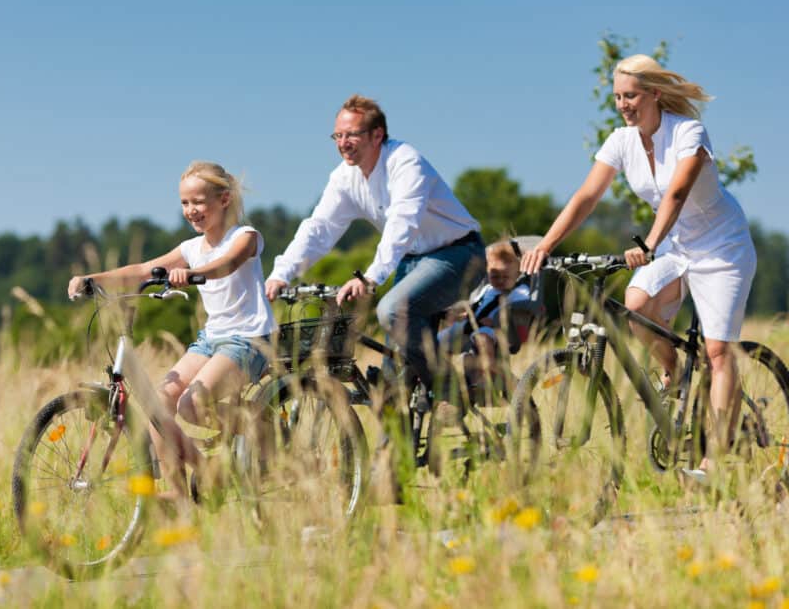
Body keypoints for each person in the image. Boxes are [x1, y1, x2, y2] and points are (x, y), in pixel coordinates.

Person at [520, 55, 756, 476]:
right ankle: (674, 369)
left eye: (630, 96)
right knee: (636, 304)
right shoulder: (621, 141)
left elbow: (677, 192)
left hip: (722, 248)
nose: (622, 105)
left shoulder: (688, 132)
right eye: (617, 97)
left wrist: (649, 243)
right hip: (678, 248)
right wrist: (546, 244)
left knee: (718, 351)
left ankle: (713, 464)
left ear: (654, 94)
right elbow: (586, 196)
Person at [68, 161, 275, 500]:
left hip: (249, 338)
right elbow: (143, 269)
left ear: (224, 199)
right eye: (184, 203)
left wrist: (194, 274)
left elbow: (227, 264)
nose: (191, 210)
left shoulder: (245, 237)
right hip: (212, 338)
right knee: (158, 405)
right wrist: (92, 279)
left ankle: (259, 424)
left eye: (199, 202)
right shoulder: (191, 248)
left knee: (192, 406)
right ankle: (184, 493)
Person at [264, 94, 485, 393]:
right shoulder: (344, 177)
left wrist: (371, 277)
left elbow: (402, 222)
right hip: (412, 260)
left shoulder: (405, 162)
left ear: (377, 135)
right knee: (393, 382)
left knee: (391, 310)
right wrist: (282, 273)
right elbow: (319, 228)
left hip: (458, 254)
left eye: (352, 135)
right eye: (337, 136)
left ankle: (448, 392)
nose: (343, 143)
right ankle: (401, 415)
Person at [438, 240, 535, 405]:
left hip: (497, 329)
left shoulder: (519, 292)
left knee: (482, 337)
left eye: (505, 277)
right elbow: (476, 305)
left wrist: (499, 317)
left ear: (517, 274)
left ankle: (484, 378)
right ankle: (444, 376)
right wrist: (463, 313)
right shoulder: (487, 289)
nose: (500, 280)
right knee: (439, 339)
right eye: (495, 276)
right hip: (472, 325)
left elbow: (523, 307)